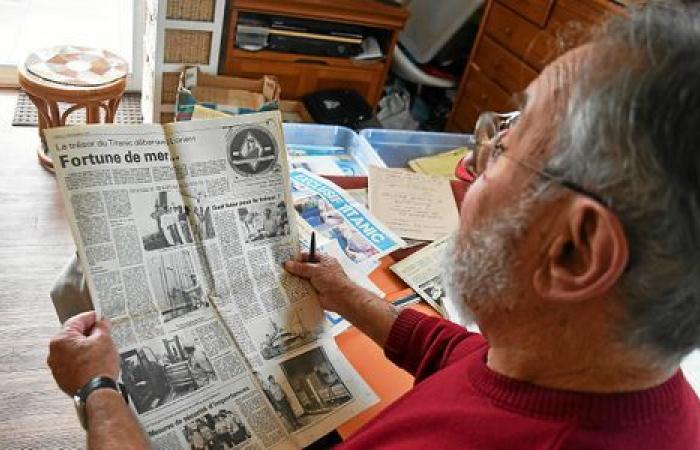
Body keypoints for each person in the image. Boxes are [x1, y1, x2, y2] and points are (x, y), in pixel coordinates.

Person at [46, 5, 699, 449]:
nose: (472, 167)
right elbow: (466, 361)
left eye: (504, 146)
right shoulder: (592, 369)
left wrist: (99, 390)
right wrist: (349, 295)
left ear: (574, 251)